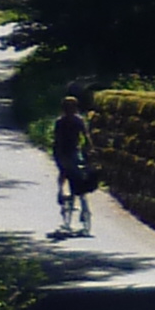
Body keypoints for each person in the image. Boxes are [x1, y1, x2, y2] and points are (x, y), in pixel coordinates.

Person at [50, 87, 94, 238]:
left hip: (73, 150)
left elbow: (86, 137)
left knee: (76, 173)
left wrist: (89, 149)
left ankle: (75, 195)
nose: (70, 110)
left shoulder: (75, 121)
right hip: (63, 151)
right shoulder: (62, 122)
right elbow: (58, 139)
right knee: (64, 171)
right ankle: (62, 191)